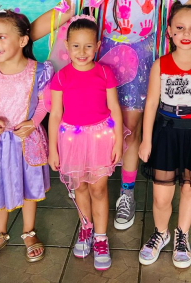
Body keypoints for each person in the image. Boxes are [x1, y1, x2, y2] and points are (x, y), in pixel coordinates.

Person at [24, 0, 191, 231]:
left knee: (130, 130)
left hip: (141, 64)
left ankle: (126, 192)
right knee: (94, 124)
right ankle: (93, 183)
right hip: (99, 63)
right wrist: (18, 42)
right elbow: (59, 13)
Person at [138, 1, 191, 268]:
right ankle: (161, 233)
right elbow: (151, 103)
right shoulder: (160, 65)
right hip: (166, 134)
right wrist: (146, 139)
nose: (186, 33)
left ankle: (182, 235)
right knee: (161, 195)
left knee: (189, 189)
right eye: (180, 28)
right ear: (170, 31)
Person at [0, 9, 52, 266]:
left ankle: (28, 231)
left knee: (28, 185)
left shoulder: (39, 71)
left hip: (27, 140)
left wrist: (33, 122)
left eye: (2, 37)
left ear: (23, 40)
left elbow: (44, 103)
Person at [48, 15, 126, 271]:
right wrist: (53, 149)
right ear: (67, 46)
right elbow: (55, 114)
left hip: (100, 137)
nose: (82, 52)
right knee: (79, 186)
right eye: (76, 46)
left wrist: (117, 142)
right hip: (71, 139)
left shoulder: (104, 72)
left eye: (88, 46)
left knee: (98, 189)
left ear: (98, 45)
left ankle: (101, 238)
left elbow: (114, 108)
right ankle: (86, 227)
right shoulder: (61, 77)